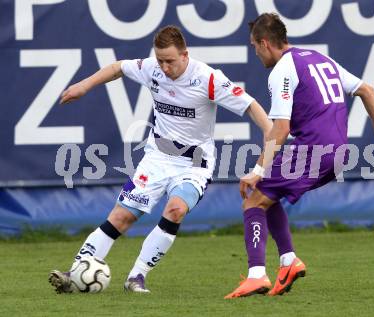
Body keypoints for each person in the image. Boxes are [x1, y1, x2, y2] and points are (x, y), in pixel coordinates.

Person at [49, 25, 272, 294]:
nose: (165, 68)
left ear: (185, 55)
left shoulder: (209, 79)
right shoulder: (151, 67)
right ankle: (74, 274)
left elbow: (251, 106)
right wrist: (84, 85)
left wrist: (271, 132)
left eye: (170, 61)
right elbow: (118, 67)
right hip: (156, 158)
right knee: (121, 217)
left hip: (195, 163)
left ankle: (136, 276)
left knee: (176, 209)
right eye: (161, 61)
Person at [224, 13, 374, 299]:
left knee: (253, 195)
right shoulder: (318, 58)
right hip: (338, 154)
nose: (255, 53)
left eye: (254, 46)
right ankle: (288, 261)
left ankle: (257, 275)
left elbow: (280, 129)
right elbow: (366, 90)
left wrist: (257, 169)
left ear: (264, 43)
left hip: (313, 150)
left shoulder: (282, 70)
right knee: (268, 198)